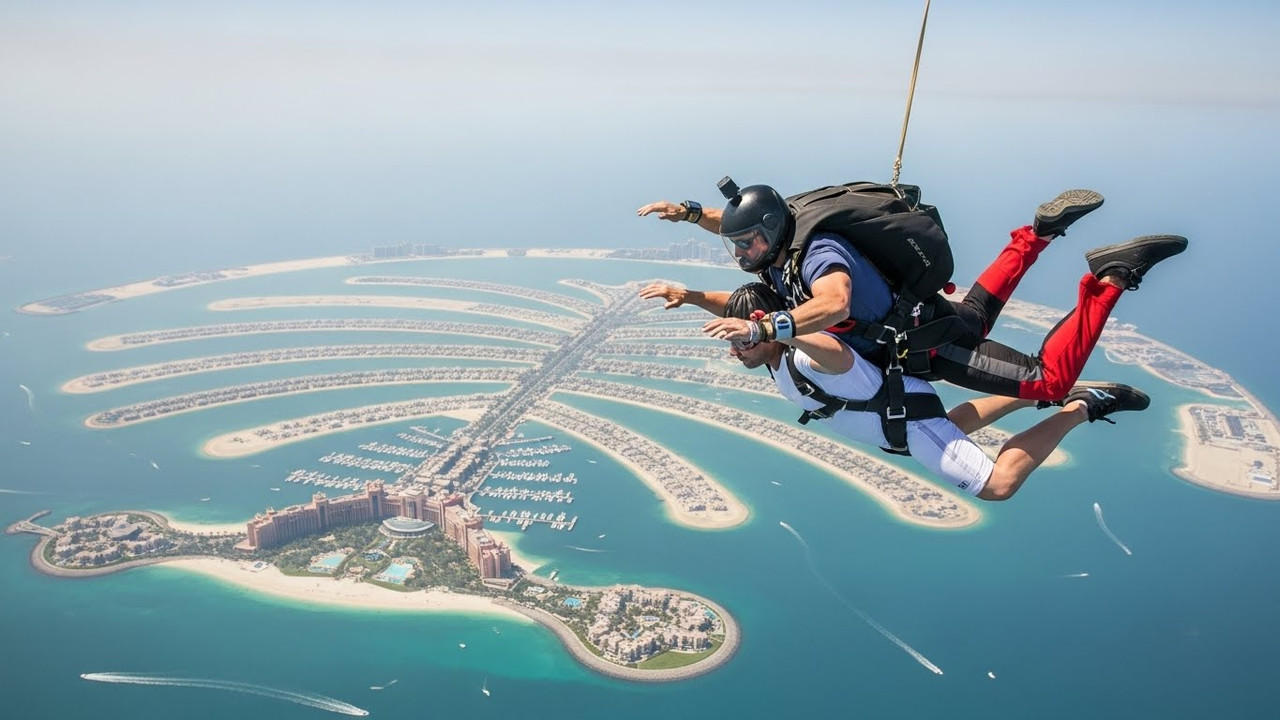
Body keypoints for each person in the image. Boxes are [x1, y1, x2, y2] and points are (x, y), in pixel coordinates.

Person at [638, 186, 1187, 403]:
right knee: (973, 315)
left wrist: (765, 329)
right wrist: (688, 231)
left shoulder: (817, 255)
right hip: (929, 318)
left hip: (924, 345)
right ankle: (1038, 233)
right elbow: (740, 230)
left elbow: (835, 304)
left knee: (1048, 383)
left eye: (748, 243)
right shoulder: (782, 249)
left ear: (774, 231)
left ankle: (1109, 277)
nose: (741, 254)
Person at [715, 282, 1148, 501]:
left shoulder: (802, 356)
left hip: (906, 418)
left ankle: (1080, 407)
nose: (737, 351)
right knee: (953, 426)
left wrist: (772, 329)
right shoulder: (776, 356)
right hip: (901, 416)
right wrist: (692, 295)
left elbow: (837, 356)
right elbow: (746, 310)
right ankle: (1038, 394)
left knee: (998, 485)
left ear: (768, 328)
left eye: (743, 341)